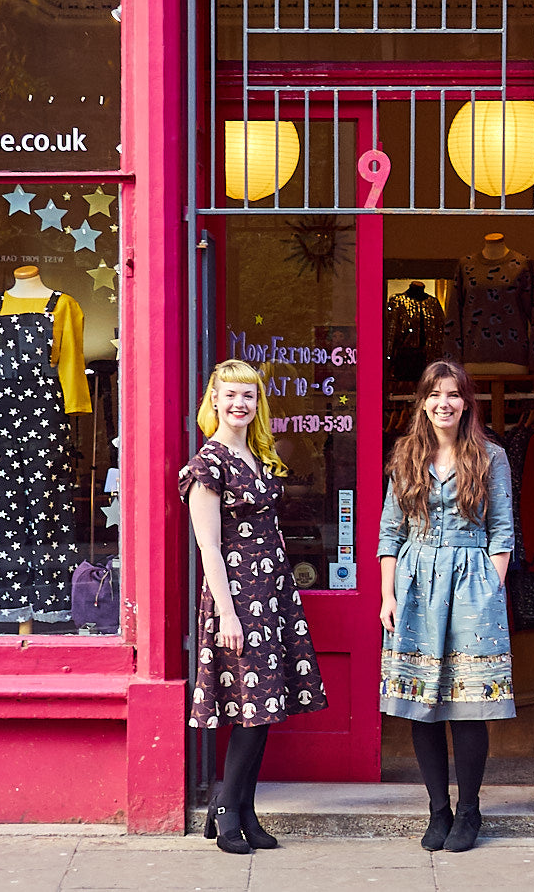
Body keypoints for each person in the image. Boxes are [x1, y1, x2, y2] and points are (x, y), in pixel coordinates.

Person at [180, 360, 327, 854]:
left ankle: (245, 809)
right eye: (230, 395)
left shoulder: (257, 457)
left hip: (273, 596)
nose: (239, 403)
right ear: (214, 400)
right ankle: (224, 810)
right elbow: (209, 548)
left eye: (249, 395)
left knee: (263, 709)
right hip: (237, 599)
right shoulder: (208, 464)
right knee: (251, 710)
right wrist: (226, 614)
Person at [379, 359, 516, 853]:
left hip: (472, 585)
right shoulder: (404, 456)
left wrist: (489, 588)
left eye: (453, 394)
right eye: (434, 394)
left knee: (468, 706)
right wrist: (386, 595)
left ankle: (470, 808)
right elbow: (389, 532)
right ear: (422, 403)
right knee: (422, 706)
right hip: (416, 586)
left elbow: (502, 531)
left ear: (466, 403)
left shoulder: (491, 457)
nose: (444, 403)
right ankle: (438, 809)